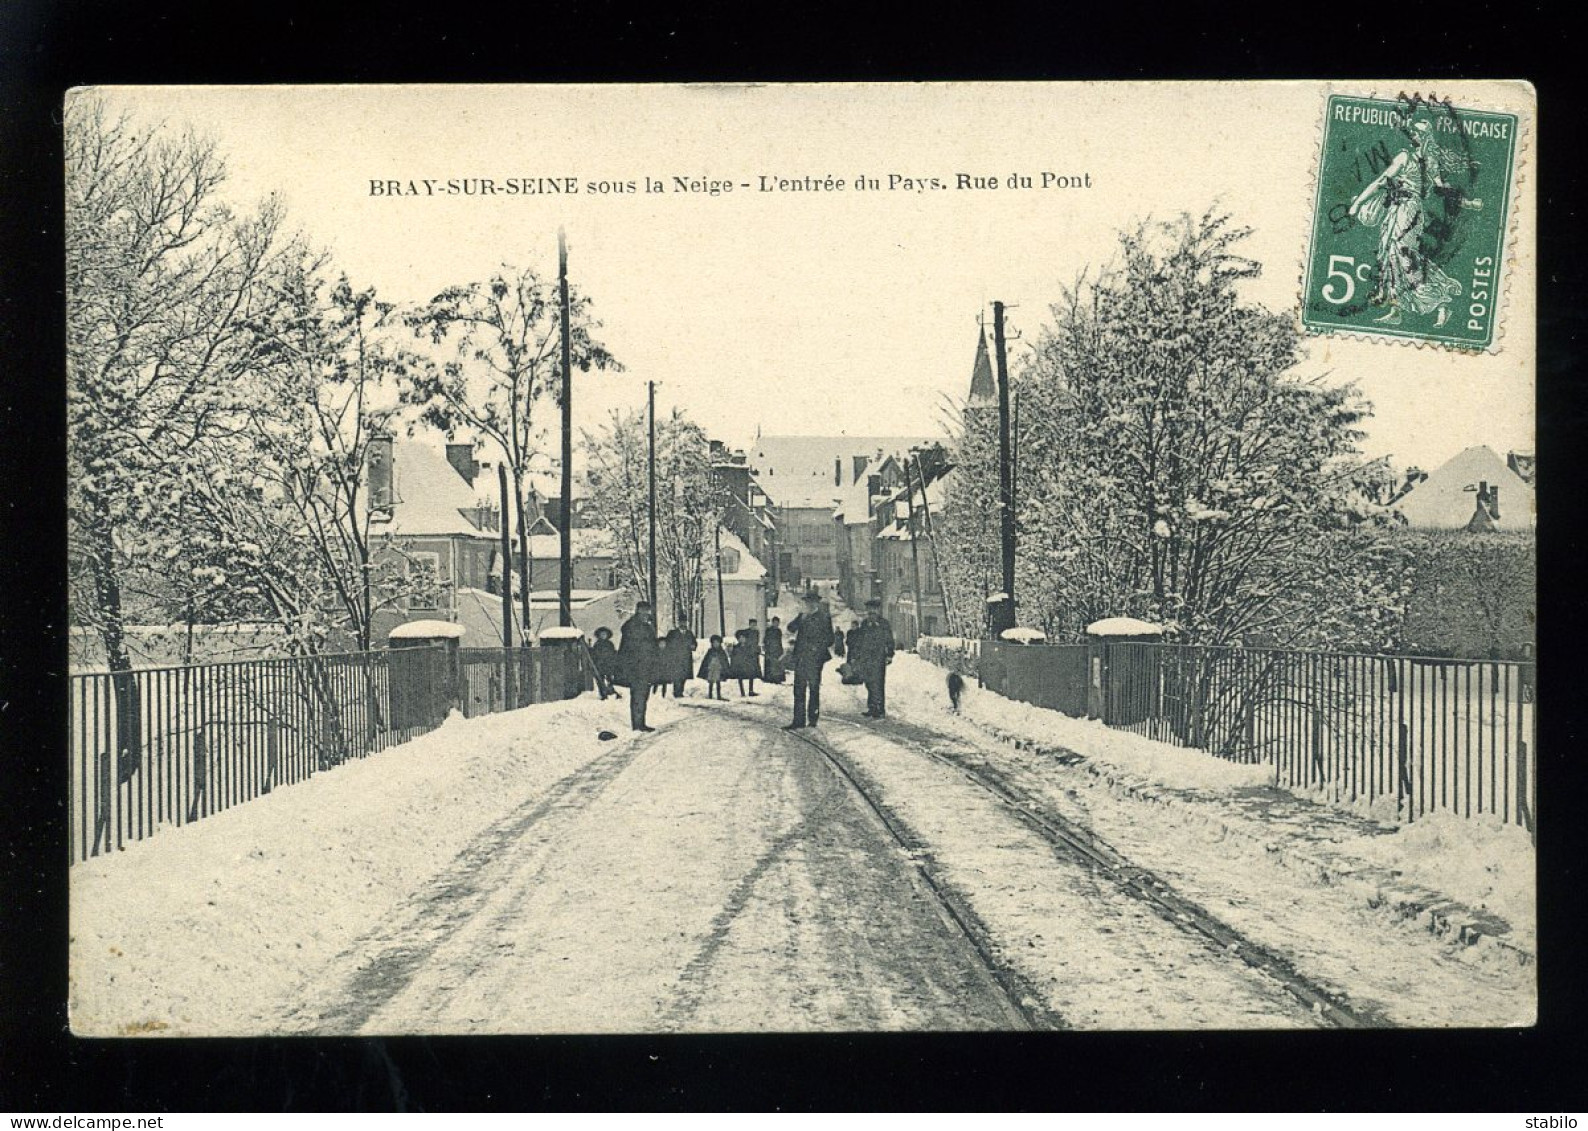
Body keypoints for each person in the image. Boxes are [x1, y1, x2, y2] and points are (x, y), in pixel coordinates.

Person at [785, 593, 834, 729]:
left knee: (813, 688)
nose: (810, 605)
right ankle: (798, 721)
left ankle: (813, 719)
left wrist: (816, 648)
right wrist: (800, 617)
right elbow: (790, 628)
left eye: (812, 602)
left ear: (817, 604)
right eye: (807, 603)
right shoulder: (802, 617)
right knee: (799, 689)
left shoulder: (824, 618)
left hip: (815, 659)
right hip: (801, 658)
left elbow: (830, 639)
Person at [850, 598, 896, 718]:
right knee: (869, 683)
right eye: (870, 610)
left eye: (874, 610)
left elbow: (889, 640)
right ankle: (872, 707)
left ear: (878, 610)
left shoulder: (884, 624)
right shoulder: (865, 624)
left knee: (879, 683)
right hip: (866, 659)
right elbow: (859, 641)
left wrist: (890, 655)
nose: (872, 612)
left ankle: (880, 709)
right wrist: (855, 656)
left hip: (879, 658)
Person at [617, 601, 659, 732]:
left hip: (646, 666)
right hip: (635, 666)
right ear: (638, 611)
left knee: (643, 695)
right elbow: (627, 648)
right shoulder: (632, 626)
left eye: (647, 611)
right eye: (643, 611)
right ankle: (637, 724)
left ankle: (641, 722)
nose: (646, 613)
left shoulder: (647, 626)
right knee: (637, 695)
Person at [663, 625, 694, 698]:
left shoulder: (689, 633)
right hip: (676, 658)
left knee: (684, 675)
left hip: (686, 658)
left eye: (684, 621)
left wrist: (693, 646)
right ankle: (677, 692)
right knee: (677, 675)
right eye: (681, 621)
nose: (682, 624)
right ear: (678, 623)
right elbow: (667, 643)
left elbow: (694, 642)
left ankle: (681, 691)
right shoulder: (672, 633)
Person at [590, 626, 620, 700]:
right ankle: (603, 694)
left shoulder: (610, 644)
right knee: (600, 680)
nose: (603, 635)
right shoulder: (597, 645)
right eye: (602, 634)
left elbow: (613, 654)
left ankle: (611, 691)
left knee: (610, 680)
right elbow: (594, 655)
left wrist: (614, 662)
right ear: (599, 635)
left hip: (609, 665)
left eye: (605, 634)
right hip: (600, 666)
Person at [698, 634, 731, 700]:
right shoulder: (710, 651)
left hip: (718, 669)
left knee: (718, 681)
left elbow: (725, 660)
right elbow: (706, 660)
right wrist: (706, 667)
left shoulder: (722, 651)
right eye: (714, 643)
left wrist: (726, 668)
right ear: (712, 643)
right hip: (711, 668)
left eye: (717, 643)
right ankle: (710, 695)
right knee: (711, 682)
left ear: (720, 643)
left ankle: (719, 695)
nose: (716, 644)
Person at [762, 617, 785, 684]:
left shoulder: (779, 631)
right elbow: (766, 639)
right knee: (770, 664)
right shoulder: (769, 630)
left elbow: (779, 641)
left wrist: (781, 649)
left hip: (777, 649)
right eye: (775, 623)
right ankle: (769, 679)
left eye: (777, 623)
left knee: (778, 664)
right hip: (770, 649)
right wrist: (766, 647)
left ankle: (778, 679)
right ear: (772, 623)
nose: (776, 624)